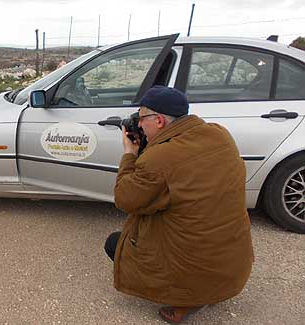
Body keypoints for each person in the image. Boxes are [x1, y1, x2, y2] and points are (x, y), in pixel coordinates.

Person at [105, 86, 254, 324]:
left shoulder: (159, 158)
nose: (139, 125)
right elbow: (182, 176)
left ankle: (186, 299)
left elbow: (125, 199)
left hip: (195, 265)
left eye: (142, 118)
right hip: (232, 261)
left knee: (115, 243)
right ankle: (209, 288)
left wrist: (130, 154)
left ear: (160, 120)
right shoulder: (219, 134)